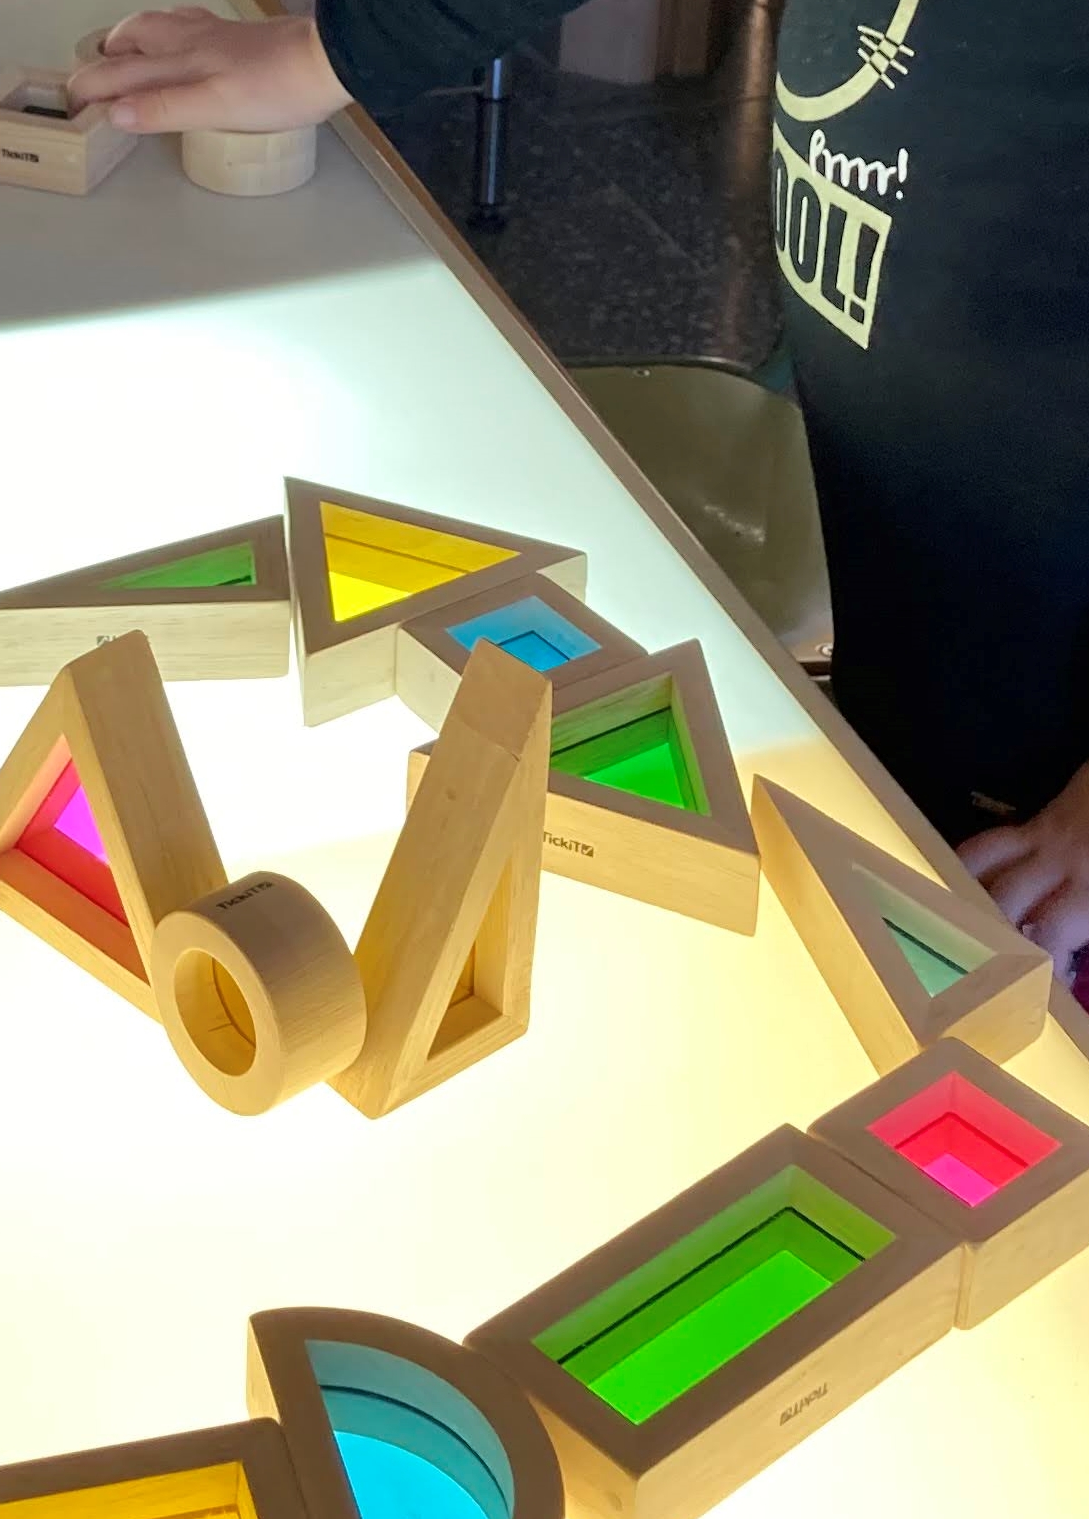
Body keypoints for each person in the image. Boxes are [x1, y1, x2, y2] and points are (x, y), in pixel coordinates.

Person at [69, 4, 1089, 980]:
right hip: (921, 570)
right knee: (906, 791)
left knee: (1002, 965)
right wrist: (325, 55)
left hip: (1051, 748)